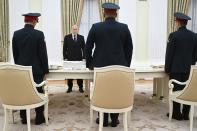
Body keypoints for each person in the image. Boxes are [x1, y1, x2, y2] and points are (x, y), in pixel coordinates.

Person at [85, 3, 133, 127]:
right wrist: (126, 65)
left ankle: (103, 119)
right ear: (116, 14)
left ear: (104, 14)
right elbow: (129, 48)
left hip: (100, 66)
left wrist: (90, 63)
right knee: (116, 91)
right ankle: (115, 119)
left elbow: (88, 47)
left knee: (102, 92)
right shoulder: (124, 27)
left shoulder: (96, 27)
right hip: (120, 66)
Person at [12, 13, 49, 125]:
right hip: (36, 71)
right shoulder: (39, 34)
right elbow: (43, 54)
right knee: (38, 92)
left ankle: (23, 117)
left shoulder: (16, 34)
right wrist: (45, 70)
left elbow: (15, 54)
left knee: (24, 92)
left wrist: (19, 67)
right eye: (36, 21)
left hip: (21, 70)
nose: (36, 23)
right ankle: (39, 117)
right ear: (34, 21)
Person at [165, 12, 197, 120]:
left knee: (175, 91)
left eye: (176, 21)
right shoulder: (194, 36)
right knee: (187, 90)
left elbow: (169, 54)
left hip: (176, 69)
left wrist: (167, 68)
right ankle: (185, 114)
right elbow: (195, 55)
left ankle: (176, 114)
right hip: (189, 69)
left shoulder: (173, 35)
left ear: (178, 22)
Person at [63, 25, 85, 93]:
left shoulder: (81, 37)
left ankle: (80, 87)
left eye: (76, 29)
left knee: (79, 74)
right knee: (70, 74)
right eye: (74, 29)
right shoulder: (67, 37)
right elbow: (64, 48)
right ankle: (70, 87)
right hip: (70, 59)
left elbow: (84, 48)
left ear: (77, 30)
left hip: (79, 59)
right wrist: (65, 57)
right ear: (71, 29)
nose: (75, 30)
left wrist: (84, 58)